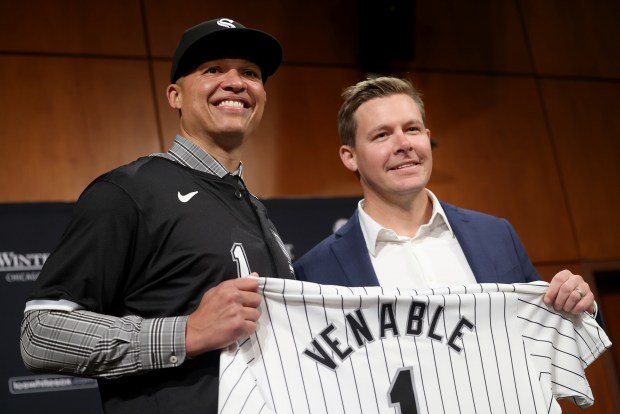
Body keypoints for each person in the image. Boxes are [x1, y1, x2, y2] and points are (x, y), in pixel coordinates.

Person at [20, 18, 295, 413]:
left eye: (250, 73)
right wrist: (187, 332)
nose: (236, 82)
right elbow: (41, 333)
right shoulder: (127, 192)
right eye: (213, 69)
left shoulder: (253, 206)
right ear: (174, 96)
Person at [294, 76, 596, 317]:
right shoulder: (317, 271)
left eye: (411, 129)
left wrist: (580, 304)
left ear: (426, 139)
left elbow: (554, 332)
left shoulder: (496, 235)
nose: (403, 144)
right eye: (382, 135)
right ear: (350, 157)